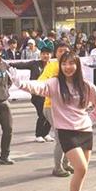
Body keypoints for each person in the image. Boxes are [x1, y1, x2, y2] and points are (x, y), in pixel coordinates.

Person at [11, 52, 96, 191]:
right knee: (81, 168)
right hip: (66, 132)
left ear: (77, 66)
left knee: (81, 172)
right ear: (60, 66)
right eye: (64, 64)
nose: (68, 67)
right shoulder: (55, 84)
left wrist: (91, 118)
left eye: (71, 63)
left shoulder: (85, 85)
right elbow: (37, 87)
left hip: (85, 132)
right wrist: (20, 83)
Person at [38, 42, 75, 176]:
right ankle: (57, 168)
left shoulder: (73, 65)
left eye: (66, 50)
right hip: (52, 106)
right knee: (61, 138)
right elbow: (41, 82)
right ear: (56, 53)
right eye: (60, 51)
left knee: (70, 136)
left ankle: (67, 163)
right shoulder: (52, 66)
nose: (63, 53)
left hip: (68, 106)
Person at [8, 46, 52, 142]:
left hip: (48, 94)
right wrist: (9, 64)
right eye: (43, 54)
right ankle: (39, 135)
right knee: (42, 114)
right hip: (36, 94)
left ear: (51, 55)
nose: (45, 56)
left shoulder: (52, 66)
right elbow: (22, 65)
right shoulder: (35, 64)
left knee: (50, 115)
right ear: (40, 55)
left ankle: (46, 133)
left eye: (47, 54)